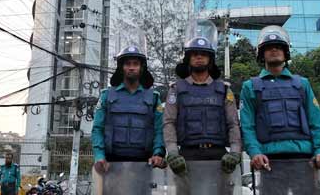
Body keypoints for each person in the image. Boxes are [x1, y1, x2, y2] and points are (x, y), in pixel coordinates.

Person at [240, 26, 320, 193]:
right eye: (269, 47)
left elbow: (317, 122)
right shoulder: (250, 86)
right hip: (269, 162)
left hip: (305, 160)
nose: (274, 50)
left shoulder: (302, 84)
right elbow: (247, 126)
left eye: (279, 46)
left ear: (286, 52)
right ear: (261, 53)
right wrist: (255, 153)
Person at [163, 20, 242, 176]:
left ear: (210, 58)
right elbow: (168, 122)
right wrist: (172, 152)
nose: (199, 57)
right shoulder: (176, 89)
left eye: (204, 54)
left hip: (220, 156)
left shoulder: (224, 90)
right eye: (195, 54)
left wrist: (235, 152)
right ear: (188, 58)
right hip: (186, 156)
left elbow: (233, 123)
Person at [91, 43, 165, 174]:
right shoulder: (106, 96)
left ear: (142, 68)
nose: (131, 68)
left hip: (144, 165)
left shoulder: (153, 98)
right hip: (111, 165)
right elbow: (97, 129)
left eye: (135, 64)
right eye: (127, 64)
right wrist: (99, 156)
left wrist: (158, 153)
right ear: (121, 67)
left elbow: (160, 129)